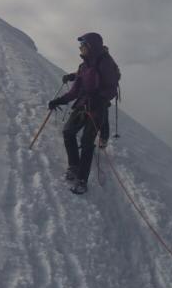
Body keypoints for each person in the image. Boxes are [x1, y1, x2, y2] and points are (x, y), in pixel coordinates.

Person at [47, 32, 120, 195]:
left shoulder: (105, 63)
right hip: (82, 104)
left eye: (83, 45)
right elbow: (74, 91)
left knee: (87, 143)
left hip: (97, 108)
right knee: (68, 132)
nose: (80, 48)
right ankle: (74, 166)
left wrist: (100, 99)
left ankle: (82, 180)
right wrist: (59, 100)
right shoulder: (83, 66)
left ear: (91, 46)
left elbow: (112, 89)